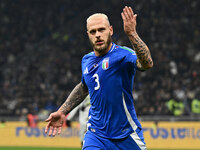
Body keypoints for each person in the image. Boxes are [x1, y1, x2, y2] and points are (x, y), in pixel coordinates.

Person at [45, 6, 153, 150]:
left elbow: (147, 64)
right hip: (96, 135)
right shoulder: (86, 60)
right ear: (88, 35)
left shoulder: (123, 55)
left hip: (126, 134)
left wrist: (132, 33)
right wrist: (62, 111)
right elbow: (84, 87)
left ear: (111, 30)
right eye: (93, 31)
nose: (97, 35)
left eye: (101, 30)